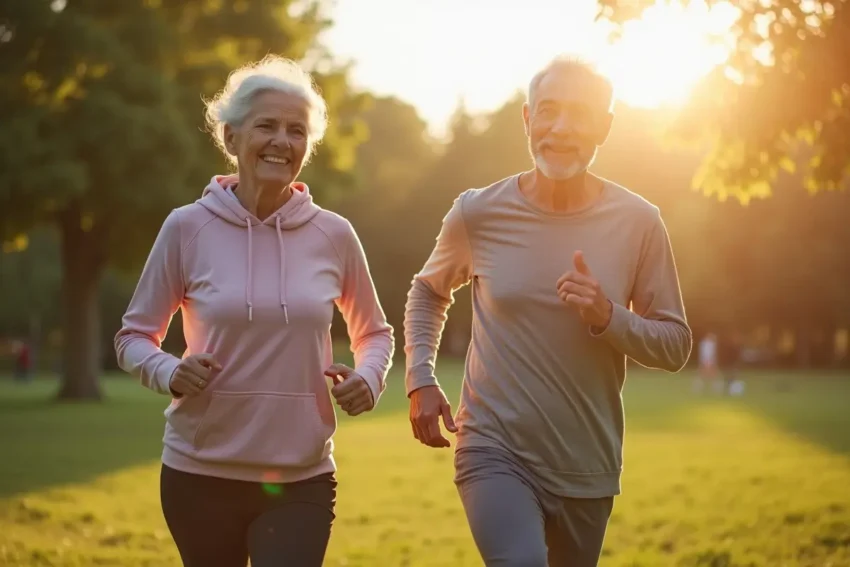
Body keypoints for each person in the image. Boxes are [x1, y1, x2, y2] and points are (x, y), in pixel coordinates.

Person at [404, 55, 692, 566]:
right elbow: (428, 291)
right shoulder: (477, 211)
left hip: (588, 463)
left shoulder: (639, 222)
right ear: (527, 119)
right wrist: (420, 377)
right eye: (549, 111)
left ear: (604, 126)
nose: (561, 128)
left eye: (580, 114)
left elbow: (675, 346)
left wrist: (608, 316)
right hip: (493, 447)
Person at [114, 55, 394, 567]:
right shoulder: (186, 228)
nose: (282, 142)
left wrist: (369, 379)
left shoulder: (334, 234)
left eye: (296, 130)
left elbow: (374, 332)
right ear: (231, 137)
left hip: (301, 477)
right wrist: (171, 371)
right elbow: (133, 336)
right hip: (199, 474)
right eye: (266, 126)